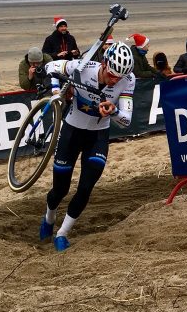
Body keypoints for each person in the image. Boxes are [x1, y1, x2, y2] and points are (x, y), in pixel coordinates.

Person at [39, 42, 136, 252]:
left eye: (119, 78)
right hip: (71, 132)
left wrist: (113, 112)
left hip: (98, 136)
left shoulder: (128, 80)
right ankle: (49, 218)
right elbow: (51, 68)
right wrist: (57, 93)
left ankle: (62, 233)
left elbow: (126, 120)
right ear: (104, 63)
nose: (114, 81)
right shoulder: (83, 67)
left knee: (85, 188)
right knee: (60, 190)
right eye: (111, 75)